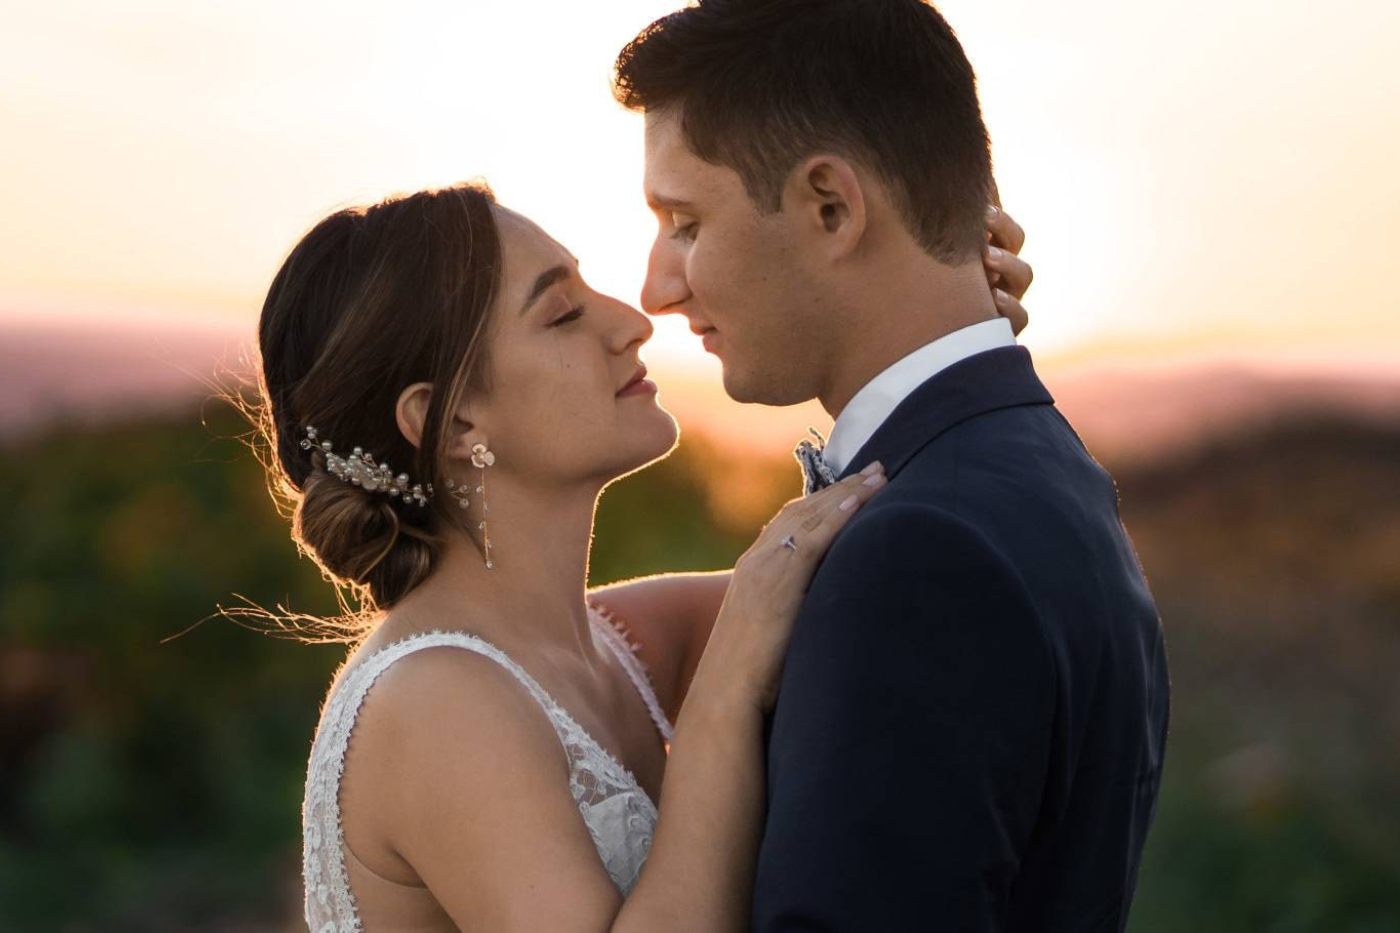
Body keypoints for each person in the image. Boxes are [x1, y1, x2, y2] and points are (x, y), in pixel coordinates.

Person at [261, 180, 1032, 928]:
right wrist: (722, 696)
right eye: (562, 313)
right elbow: (749, 632)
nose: (632, 321)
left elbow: (862, 574)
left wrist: (942, 316)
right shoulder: (430, 703)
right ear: (451, 421)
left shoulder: (608, 645)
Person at [612, 1, 1171, 929]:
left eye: (685, 221)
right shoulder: (1042, 468)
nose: (656, 288)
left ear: (832, 207)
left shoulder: (920, 554)